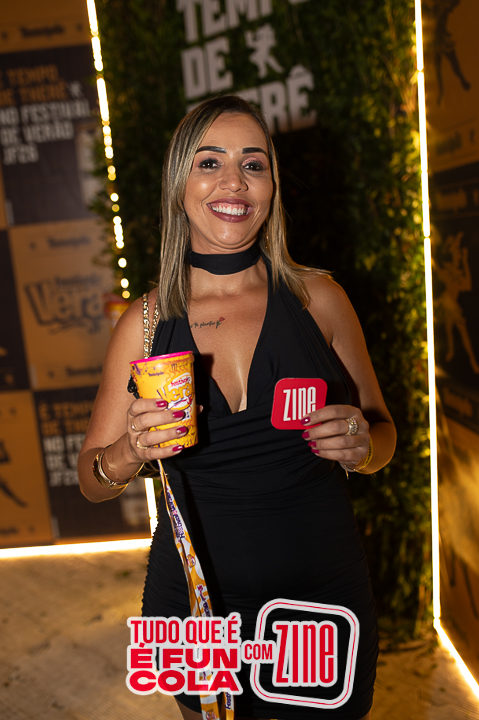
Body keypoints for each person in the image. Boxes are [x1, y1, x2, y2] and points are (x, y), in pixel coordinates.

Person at [78, 95, 396, 720]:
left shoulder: (320, 300)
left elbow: (382, 438)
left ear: (272, 187)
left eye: (253, 164)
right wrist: (127, 453)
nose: (234, 181)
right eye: (210, 162)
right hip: (199, 608)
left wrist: (362, 444)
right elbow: (91, 479)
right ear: (180, 185)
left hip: (321, 601)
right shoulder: (145, 323)